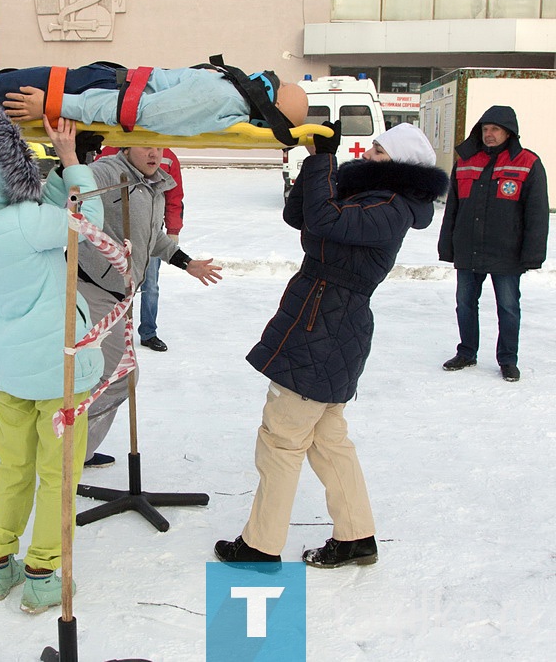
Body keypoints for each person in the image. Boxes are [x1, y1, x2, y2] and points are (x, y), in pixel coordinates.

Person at [214, 122, 448, 568]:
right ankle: (357, 536)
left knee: (281, 439)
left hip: (325, 325)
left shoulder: (392, 206)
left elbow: (325, 220)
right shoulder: (370, 196)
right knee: (326, 440)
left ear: (401, 164)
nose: (370, 154)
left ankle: (260, 547)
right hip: (325, 319)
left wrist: (325, 161)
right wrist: (316, 159)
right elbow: (299, 215)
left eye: (379, 151)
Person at [0, 103, 104, 614]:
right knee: (58, 475)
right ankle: (44, 573)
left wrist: (55, 174)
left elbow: (41, 217)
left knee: (12, 467)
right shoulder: (25, 224)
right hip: (58, 372)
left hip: (9, 371)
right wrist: (70, 158)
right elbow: (83, 219)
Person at [78, 146, 221, 468]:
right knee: (118, 375)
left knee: (108, 375)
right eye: (146, 145)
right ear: (127, 145)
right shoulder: (107, 171)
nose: (155, 153)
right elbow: (71, 190)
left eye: (158, 147)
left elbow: (152, 238)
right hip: (91, 287)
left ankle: (79, 449)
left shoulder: (154, 184)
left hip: (122, 291)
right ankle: (65, 447)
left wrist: (186, 263)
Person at [0, 61, 309, 140]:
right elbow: (129, 107)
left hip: (80, 90)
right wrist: (55, 101)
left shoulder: (221, 94)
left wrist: (54, 103)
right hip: (82, 87)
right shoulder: (222, 96)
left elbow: (130, 112)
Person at [437, 105, 549, 382]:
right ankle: (466, 352)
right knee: (464, 303)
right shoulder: (465, 161)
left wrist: (532, 254)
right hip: (468, 248)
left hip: (507, 252)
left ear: (509, 132)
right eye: (485, 129)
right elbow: (452, 208)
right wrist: (447, 246)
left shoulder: (528, 163)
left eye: (495, 129)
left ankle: (508, 360)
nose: (489, 134)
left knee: (508, 307)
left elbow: (537, 213)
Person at [96, 146, 185, 352]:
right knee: (111, 284)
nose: (154, 152)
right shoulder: (109, 150)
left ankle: (148, 333)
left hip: (149, 232)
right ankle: (111, 332)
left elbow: (174, 197)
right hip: (112, 233)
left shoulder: (168, 157)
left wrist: (173, 229)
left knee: (150, 285)